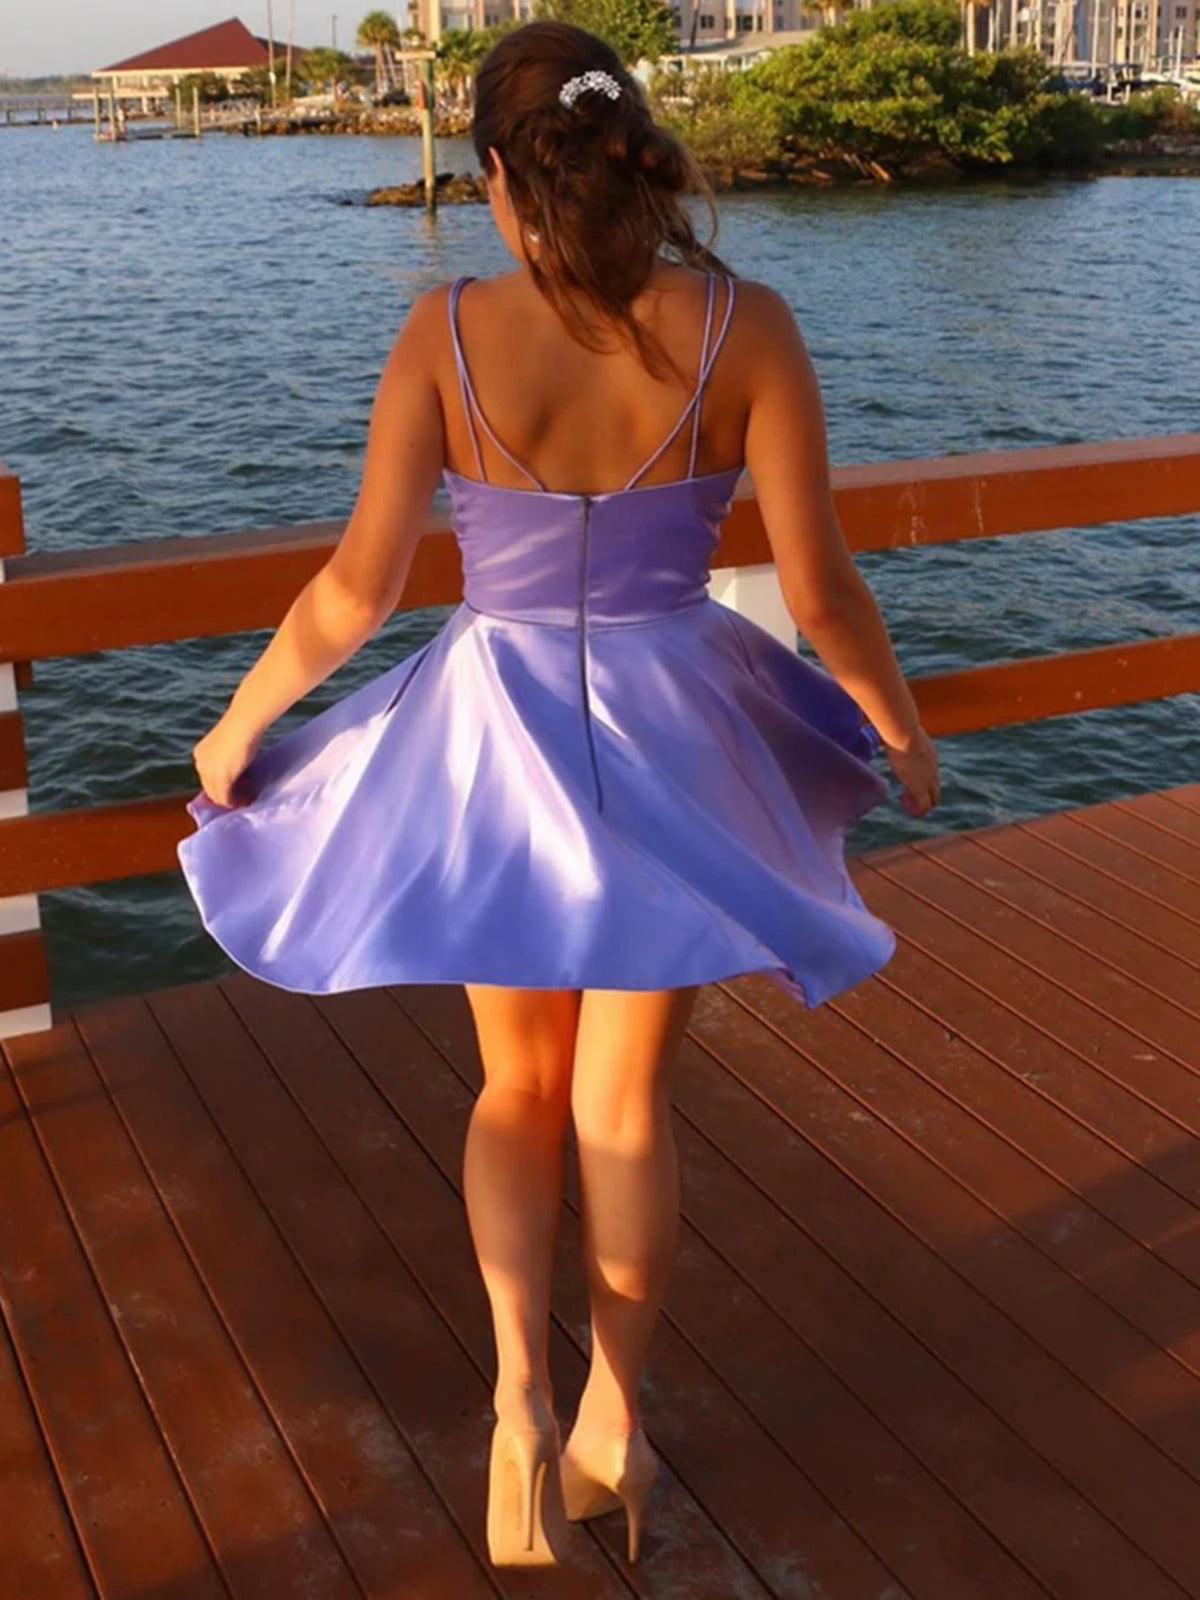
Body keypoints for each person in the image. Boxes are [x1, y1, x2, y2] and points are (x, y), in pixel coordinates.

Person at [179, 17, 939, 1573]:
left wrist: (236, 726)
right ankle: (613, 1420)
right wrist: (901, 729)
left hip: (496, 739)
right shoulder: (748, 327)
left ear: (496, 174)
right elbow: (821, 590)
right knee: (623, 1108)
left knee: (513, 1095)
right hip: (677, 726)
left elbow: (356, 588)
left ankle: (518, 1404)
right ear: (633, 150)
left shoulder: (446, 330)